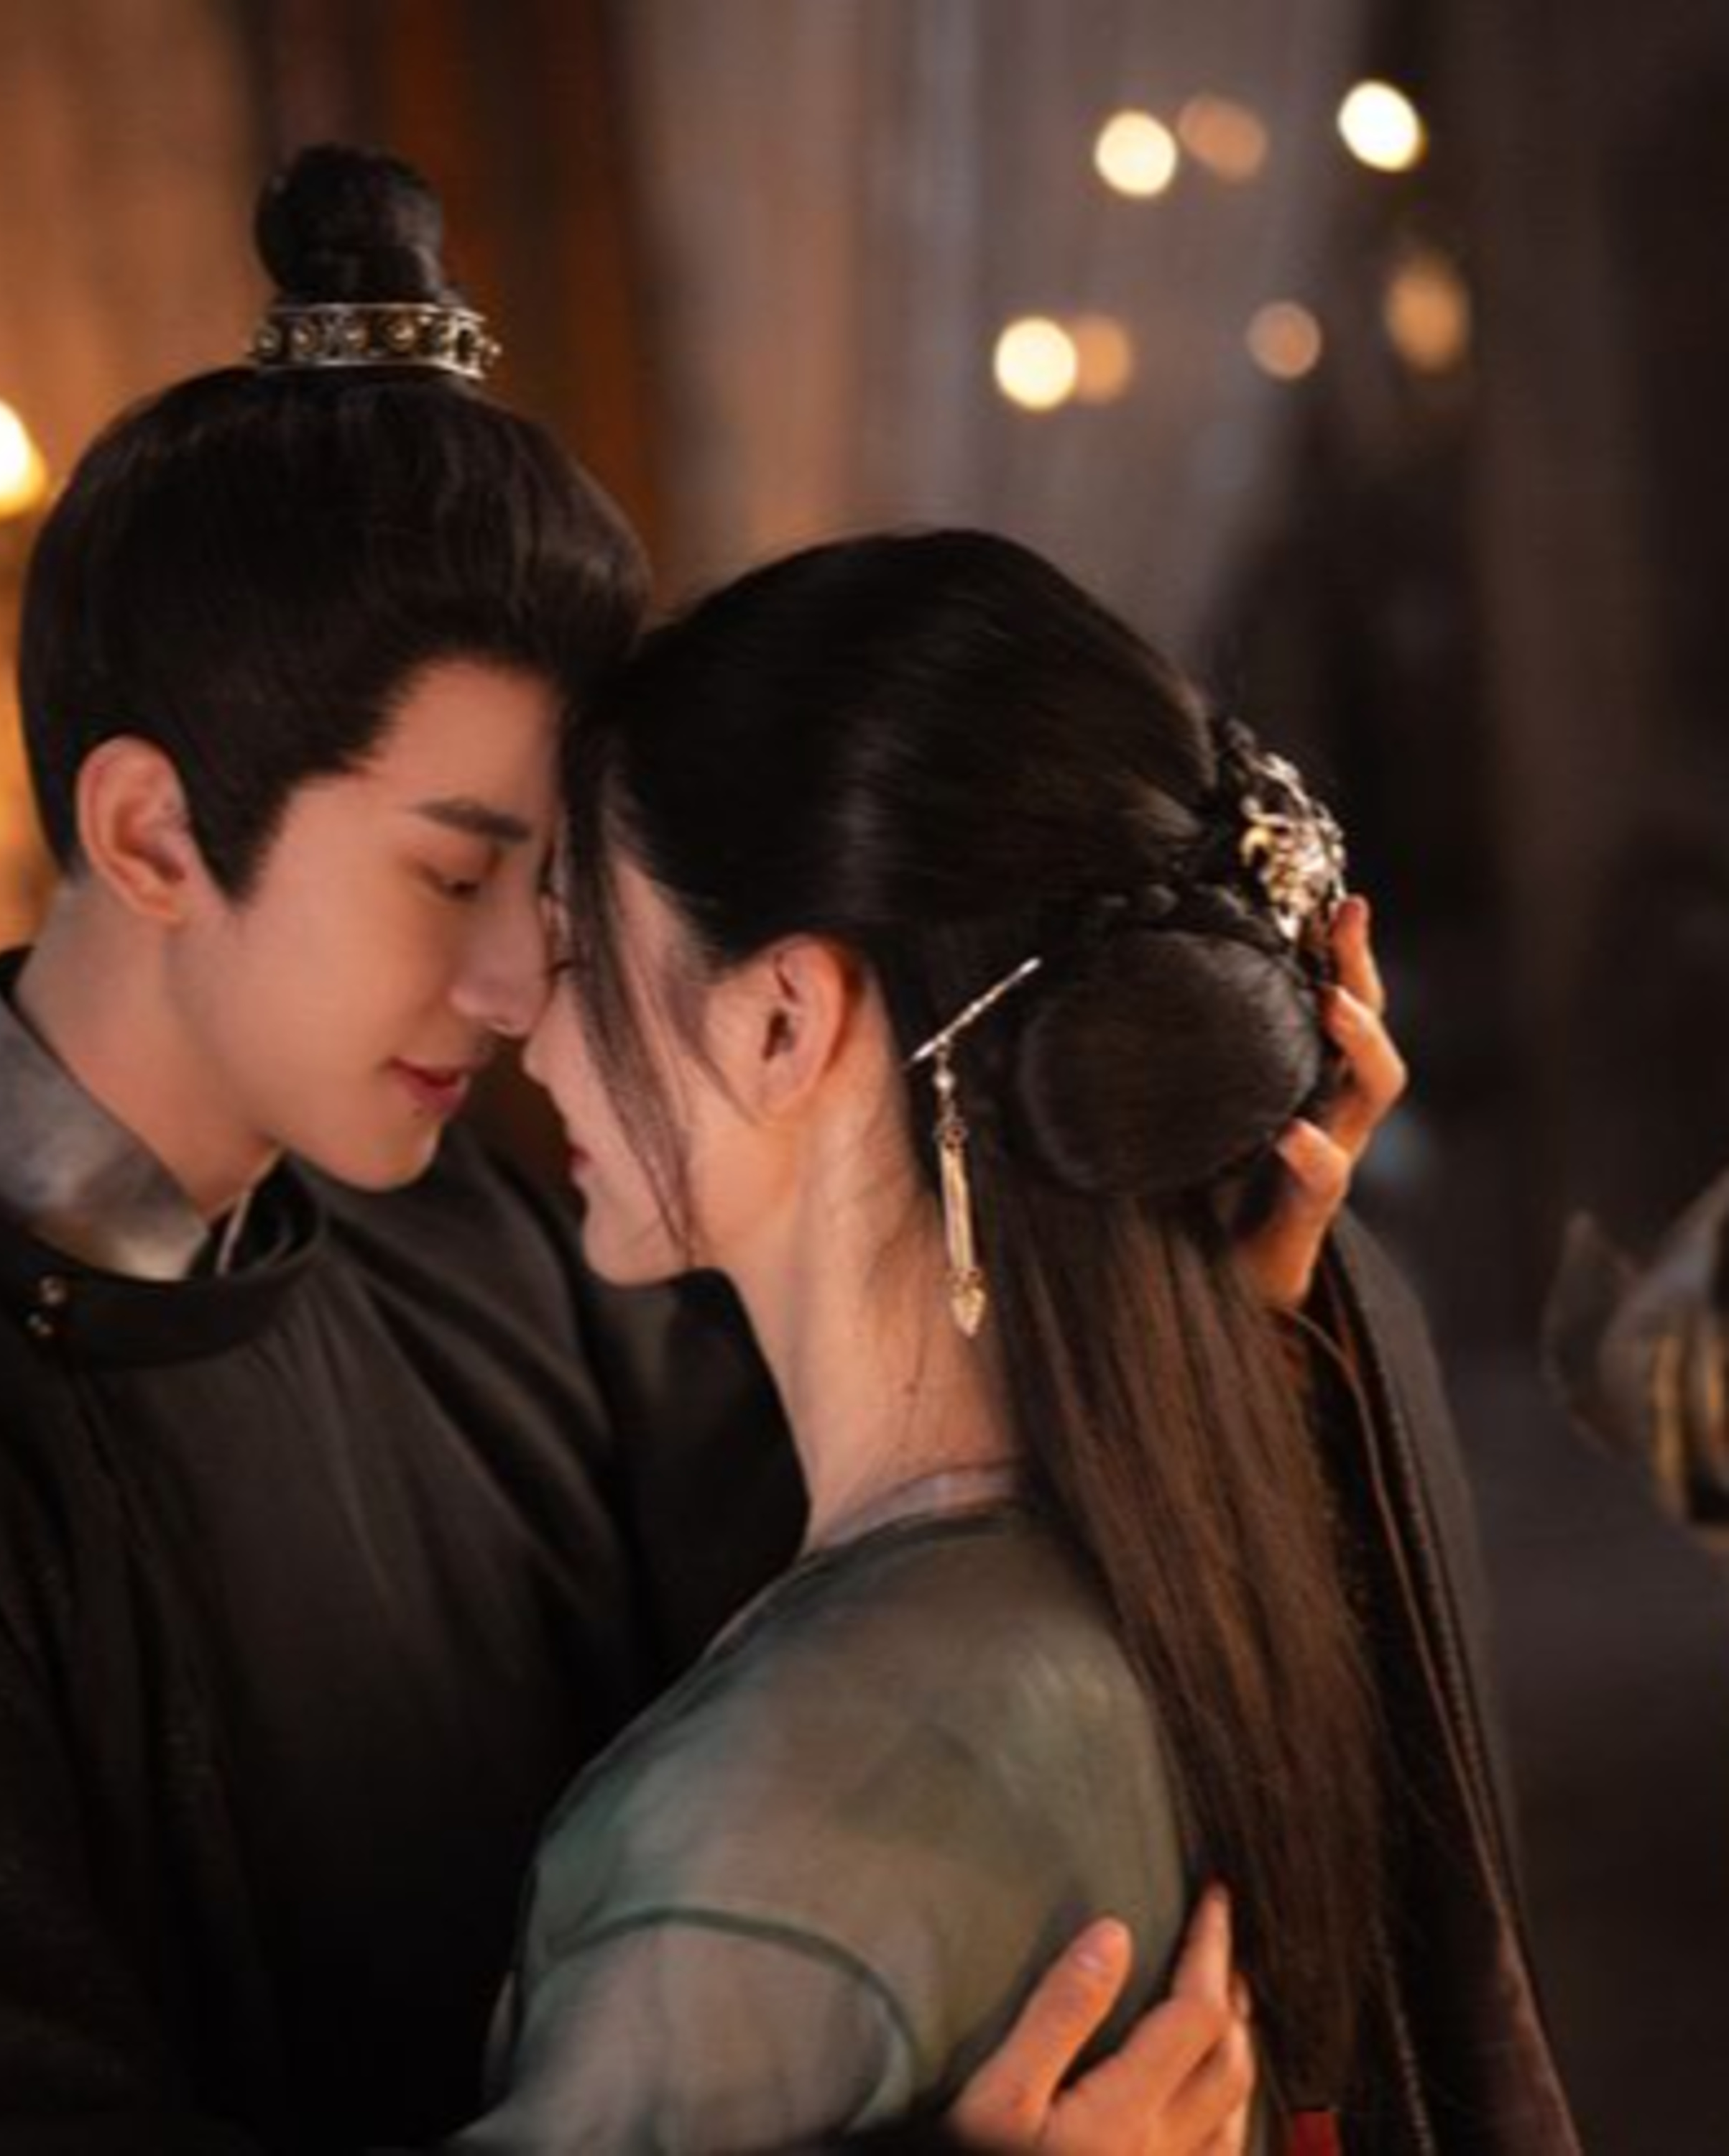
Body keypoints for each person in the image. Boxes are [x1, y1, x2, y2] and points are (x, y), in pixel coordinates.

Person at [0, 152, 1375, 2152]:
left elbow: (883, 1626)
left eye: (559, 887)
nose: (529, 985)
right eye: (456, 873)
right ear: (153, 834)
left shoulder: (476, 1247)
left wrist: (1149, 1239)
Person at [424, 528, 1580, 2154]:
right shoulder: (1222, 1539)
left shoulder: (784, 1817)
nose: (526, 1027)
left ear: (782, 1021)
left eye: (576, 947)